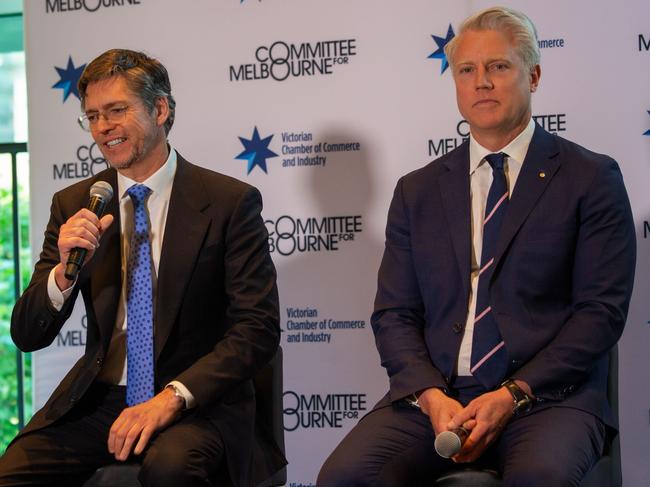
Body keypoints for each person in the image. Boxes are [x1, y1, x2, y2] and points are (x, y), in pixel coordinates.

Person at [318, 6, 635, 486]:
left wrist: (514, 394)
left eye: (498, 67)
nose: (481, 81)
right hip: (439, 398)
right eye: (467, 70)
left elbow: (600, 313)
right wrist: (430, 395)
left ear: (534, 75)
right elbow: (394, 314)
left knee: (539, 478)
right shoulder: (417, 191)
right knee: (343, 476)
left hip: (547, 399)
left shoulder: (590, 178)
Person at [0, 49, 285, 487]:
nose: (103, 128)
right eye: (92, 116)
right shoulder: (76, 204)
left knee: (170, 469)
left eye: (117, 111)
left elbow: (256, 330)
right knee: (13, 471)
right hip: (101, 400)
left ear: (160, 109)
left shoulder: (229, 203)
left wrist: (172, 398)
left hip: (195, 402)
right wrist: (62, 272)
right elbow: (27, 334)